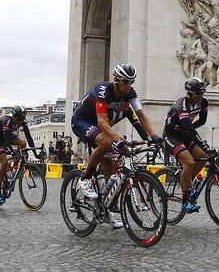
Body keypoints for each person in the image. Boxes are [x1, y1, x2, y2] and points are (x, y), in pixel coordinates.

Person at [69, 64, 163, 227]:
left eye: (131, 82)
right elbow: (102, 121)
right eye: (126, 82)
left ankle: (108, 207)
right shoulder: (102, 91)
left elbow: (140, 117)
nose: (129, 86)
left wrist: (153, 137)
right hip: (83, 122)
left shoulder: (130, 95)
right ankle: (84, 179)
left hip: (100, 126)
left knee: (112, 164)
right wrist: (117, 138)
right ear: (116, 80)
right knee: (106, 141)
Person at [163, 77, 212, 214]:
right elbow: (187, 126)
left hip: (184, 134)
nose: (201, 97)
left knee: (203, 156)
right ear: (189, 94)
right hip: (171, 135)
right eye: (198, 94)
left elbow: (202, 121)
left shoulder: (203, 102)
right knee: (189, 163)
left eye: (202, 93)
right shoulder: (181, 104)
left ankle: (187, 181)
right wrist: (199, 140)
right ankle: (186, 201)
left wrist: (191, 131)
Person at [0, 105, 38, 203]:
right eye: (18, 119)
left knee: (23, 144)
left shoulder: (22, 121)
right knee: (4, 162)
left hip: (8, 134)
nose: (20, 122)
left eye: (22, 119)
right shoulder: (7, 120)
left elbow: (29, 138)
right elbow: (6, 143)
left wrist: (35, 153)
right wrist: (11, 152)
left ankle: (13, 170)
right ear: (13, 116)